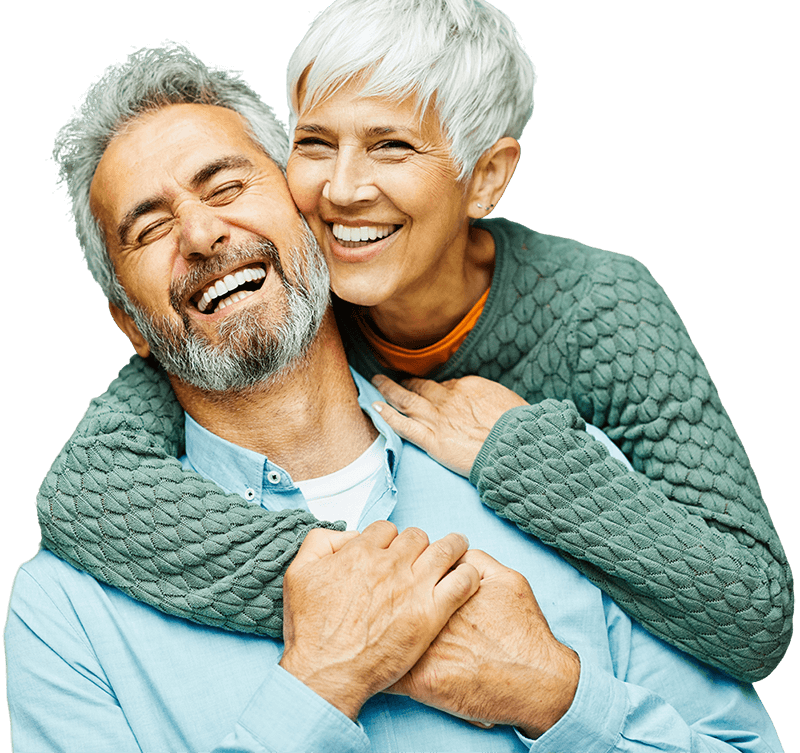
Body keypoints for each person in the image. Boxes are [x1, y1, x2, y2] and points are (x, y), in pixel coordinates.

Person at [7, 43, 784, 752]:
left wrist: (557, 696)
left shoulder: (566, 476)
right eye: (148, 227)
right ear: (128, 323)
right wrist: (318, 687)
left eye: (228, 184)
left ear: (311, 216)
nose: (204, 234)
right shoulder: (63, 613)